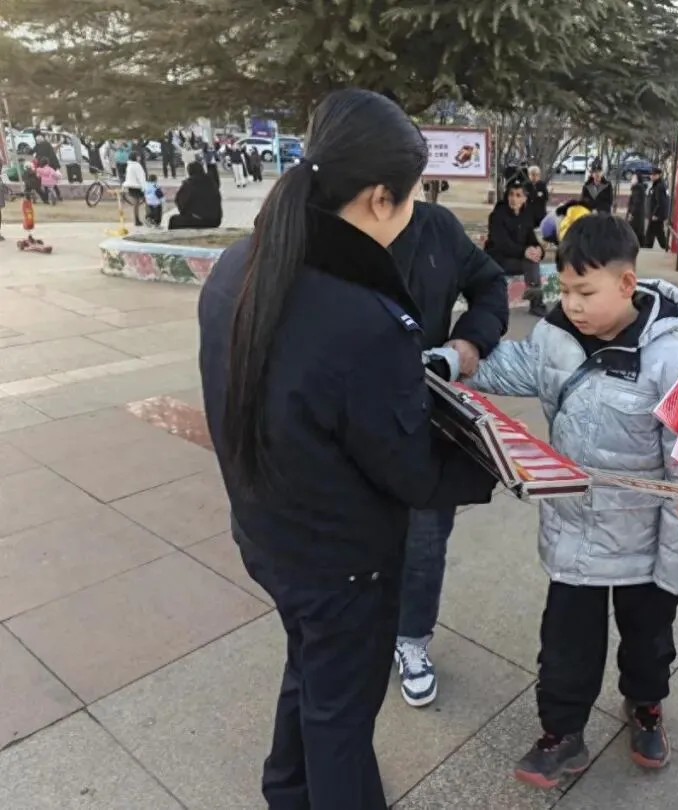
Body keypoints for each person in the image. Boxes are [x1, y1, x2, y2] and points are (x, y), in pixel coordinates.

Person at [197, 88, 497, 810]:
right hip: (343, 563)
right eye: (412, 195)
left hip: (270, 533)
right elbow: (406, 468)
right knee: (341, 713)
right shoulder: (364, 318)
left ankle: (286, 789)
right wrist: (490, 455)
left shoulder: (241, 266)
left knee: (310, 669)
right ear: (377, 198)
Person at [464, 213, 678, 789]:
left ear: (627, 285)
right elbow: (514, 366)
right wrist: (458, 360)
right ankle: (562, 733)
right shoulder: (556, 336)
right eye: (564, 289)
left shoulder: (672, 361)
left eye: (586, 292)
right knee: (564, 647)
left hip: (645, 548)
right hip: (573, 534)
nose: (571, 304)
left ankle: (646, 707)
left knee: (649, 643)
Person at [386, 193, 510, 709]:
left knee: (425, 539)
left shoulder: (435, 226)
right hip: (345, 413)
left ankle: (412, 640)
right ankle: (359, 632)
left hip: (422, 413)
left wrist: (469, 344)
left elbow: (490, 283)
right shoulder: (318, 227)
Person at [484, 179, 546, 316]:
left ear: (524, 198)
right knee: (530, 262)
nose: (513, 199)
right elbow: (502, 243)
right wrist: (524, 252)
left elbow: (531, 239)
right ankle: (537, 303)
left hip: (518, 259)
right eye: (511, 194)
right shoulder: (497, 215)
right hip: (498, 260)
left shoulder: (526, 215)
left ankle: (536, 303)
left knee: (532, 260)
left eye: (518, 195)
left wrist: (539, 250)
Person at [168, 162, 223, 230]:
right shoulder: (211, 182)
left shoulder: (189, 184)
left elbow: (179, 201)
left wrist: (188, 212)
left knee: (173, 220)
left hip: (199, 221)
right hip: (215, 220)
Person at [644, 168, 669, 250]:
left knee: (658, 233)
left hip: (657, 216)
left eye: (654, 175)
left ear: (659, 175)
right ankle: (648, 247)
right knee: (652, 233)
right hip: (654, 215)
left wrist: (656, 214)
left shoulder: (659, 186)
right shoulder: (655, 185)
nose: (652, 176)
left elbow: (661, 202)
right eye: (651, 174)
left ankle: (666, 248)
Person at [123, 157, 148, 227]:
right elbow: (141, 177)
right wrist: (144, 187)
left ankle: (136, 220)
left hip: (131, 186)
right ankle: (148, 218)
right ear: (136, 157)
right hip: (137, 186)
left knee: (136, 203)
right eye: (138, 156)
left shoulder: (129, 165)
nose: (139, 158)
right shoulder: (137, 166)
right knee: (147, 201)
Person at [626, 173, 647, 246]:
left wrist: (631, 214)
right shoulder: (639, 188)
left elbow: (636, 202)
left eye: (633, 178)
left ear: (637, 180)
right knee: (639, 232)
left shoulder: (637, 188)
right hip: (639, 214)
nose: (631, 179)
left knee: (633, 232)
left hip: (635, 215)